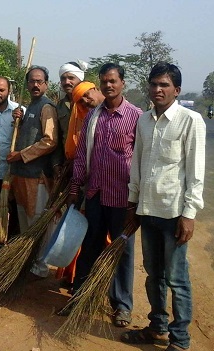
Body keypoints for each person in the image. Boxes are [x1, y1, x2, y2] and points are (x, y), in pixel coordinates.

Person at [121, 62, 205, 351]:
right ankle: (157, 328)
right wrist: (133, 204)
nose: (157, 89)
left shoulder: (190, 121)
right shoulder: (143, 121)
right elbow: (137, 165)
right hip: (148, 211)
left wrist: (189, 215)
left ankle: (180, 339)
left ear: (176, 90)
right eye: (154, 84)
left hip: (173, 213)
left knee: (177, 279)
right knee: (153, 275)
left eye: (164, 85)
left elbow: (195, 173)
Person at [61, 63, 143, 328]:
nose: (109, 86)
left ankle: (121, 306)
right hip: (96, 194)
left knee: (123, 252)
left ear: (122, 83)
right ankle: (80, 296)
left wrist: (137, 200)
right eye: (105, 81)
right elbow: (82, 154)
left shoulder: (136, 117)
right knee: (90, 247)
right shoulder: (93, 116)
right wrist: (75, 188)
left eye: (113, 81)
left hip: (123, 198)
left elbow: (142, 159)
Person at [54, 81, 105, 286]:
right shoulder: (84, 120)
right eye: (80, 100)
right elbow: (77, 154)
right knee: (82, 232)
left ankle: (99, 282)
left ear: (95, 88)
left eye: (86, 95)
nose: (85, 101)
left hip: (111, 190)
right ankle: (75, 278)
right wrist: (74, 186)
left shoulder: (118, 115)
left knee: (103, 237)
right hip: (82, 184)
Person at [10, 66, 58, 278]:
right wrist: (17, 120)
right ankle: (29, 262)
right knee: (25, 222)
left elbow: (50, 141)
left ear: (46, 84)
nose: (35, 85)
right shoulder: (30, 106)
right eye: (31, 81)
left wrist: (21, 154)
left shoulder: (46, 107)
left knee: (37, 223)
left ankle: (40, 267)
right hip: (21, 175)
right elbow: (28, 134)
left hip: (36, 176)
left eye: (39, 81)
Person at [0, 76, 22, 253]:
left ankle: (11, 258)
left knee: (15, 216)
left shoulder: (19, 111)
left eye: (2, 90)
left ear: (9, 91)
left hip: (13, 173)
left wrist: (21, 123)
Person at [50, 60, 88, 180]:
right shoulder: (60, 106)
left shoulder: (90, 102)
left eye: (71, 77)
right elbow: (58, 138)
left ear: (80, 79)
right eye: (63, 78)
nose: (67, 82)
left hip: (90, 163)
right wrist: (56, 164)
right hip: (69, 165)